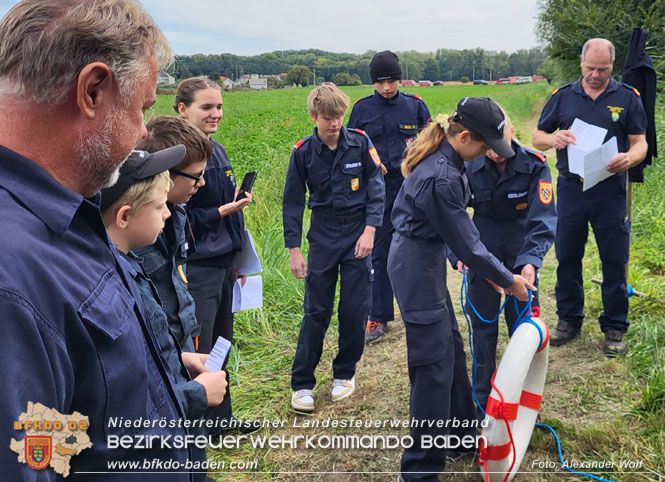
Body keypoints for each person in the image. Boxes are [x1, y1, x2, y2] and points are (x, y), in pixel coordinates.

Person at [0, 1, 192, 480]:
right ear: (92, 90)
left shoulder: (66, 217)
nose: (144, 129)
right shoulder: (14, 274)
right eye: (143, 107)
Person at [388, 97, 535, 482]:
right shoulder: (442, 176)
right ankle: (419, 471)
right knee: (432, 367)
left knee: (451, 350)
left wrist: (486, 267)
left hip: (426, 258)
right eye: (485, 146)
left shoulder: (449, 157)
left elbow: (457, 237)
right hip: (415, 267)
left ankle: (460, 436)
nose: (488, 153)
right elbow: (470, 244)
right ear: (464, 135)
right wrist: (509, 280)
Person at [100, 147, 227, 482]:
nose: (168, 214)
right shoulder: (109, 289)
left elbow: (140, 355)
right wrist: (196, 395)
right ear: (124, 217)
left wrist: (178, 359)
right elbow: (123, 407)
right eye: (159, 207)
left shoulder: (123, 268)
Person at [532, 38, 648, 356]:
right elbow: (536, 136)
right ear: (581, 63)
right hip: (571, 188)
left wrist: (631, 158)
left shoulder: (627, 97)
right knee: (568, 255)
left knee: (614, 259)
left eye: (603, 69)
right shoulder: (563, 97)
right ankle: (569, 320)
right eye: (590, 68)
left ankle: (614, 327)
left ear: (612, 65)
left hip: (610, 190)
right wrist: (553, 138)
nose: (596, 74)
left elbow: (640, 142)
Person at [283, 85, 385, 412]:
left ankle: (344, 373)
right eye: (328, 117)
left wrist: (370, 231)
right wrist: (294, 250)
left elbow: (377, 188)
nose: (335, 123)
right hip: (323, 235)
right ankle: (302, 383)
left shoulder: (361, 142)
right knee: (316, 311)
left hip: (358, 233)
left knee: (354, 310)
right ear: (314, 116)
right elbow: (293, 203)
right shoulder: (302, 153)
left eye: (339, 116)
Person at [448, 108, 556, 412]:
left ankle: (522, 398)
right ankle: (483, 401)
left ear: (510, 135)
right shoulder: (468, 164)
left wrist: (531, 262)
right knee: (483, 334)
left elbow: (543, 221)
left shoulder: (535, 166)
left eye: (500, 147)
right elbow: (447, 215)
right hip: (481, 254)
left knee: (523, 329)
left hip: (521, 254)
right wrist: (458, 256)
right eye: (488, 148)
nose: (494, 154)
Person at [175, 76, 257, 433]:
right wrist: (221, 212)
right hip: (198, 269)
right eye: (206, 107)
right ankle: (194, 434)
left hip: (224, 265)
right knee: (199, 348)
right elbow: (176, 220)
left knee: (222, 343)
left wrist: (239, 259)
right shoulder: (176, 157)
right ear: (182, 109)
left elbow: (224, 210)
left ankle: (221, 422)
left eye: (219, 106)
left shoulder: (215, 148)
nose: (216, 114)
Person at [347, 50, 431, 343]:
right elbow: (351, 147)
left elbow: (431, 145)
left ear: (399, 78)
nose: (387, 87)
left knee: (415, 248)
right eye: (381, 82)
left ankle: (418, 309)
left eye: (392, 80)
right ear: (374, 82)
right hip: (377, 191)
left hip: (410, 188)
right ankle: (378, 316)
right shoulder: (362, 109)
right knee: (379, 253)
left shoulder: (415, 106)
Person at [133, 115, 211, 353]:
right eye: (196, 176)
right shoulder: (133, 231)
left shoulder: (178, 214)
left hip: (183, 342)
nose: (203, 183)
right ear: (166, 174)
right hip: (156, 350)